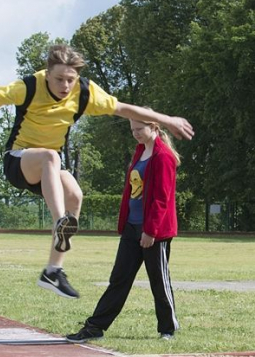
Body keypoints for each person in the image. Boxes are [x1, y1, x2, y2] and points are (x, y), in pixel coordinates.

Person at [0, 44, 194, 299]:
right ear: (47, 74)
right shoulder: (29, 87)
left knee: (75, 195)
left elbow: (123, 108)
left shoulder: (84, 92)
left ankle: (53, 271)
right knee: (50, 157)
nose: (65, 85)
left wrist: (166, 119)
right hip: (19, 161)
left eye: (70, 80)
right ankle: (60, 221)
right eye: (59, 79)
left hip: (49, 170)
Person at [66, 116, 181, 342]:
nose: (136, 133)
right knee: (119, 278)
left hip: (153, 231)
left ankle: (168, 329)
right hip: (132, 228)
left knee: (159, 280)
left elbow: (161, 198)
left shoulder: (163, 156)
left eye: (140, 129)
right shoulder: (139, 152)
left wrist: (151, 231)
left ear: (154, 127)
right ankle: (95, 328)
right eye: (132, 130)